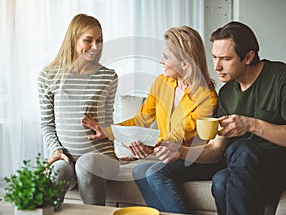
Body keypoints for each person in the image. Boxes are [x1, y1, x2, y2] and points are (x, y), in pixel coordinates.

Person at [150, 21, 286, 215]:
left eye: (225, 58)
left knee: (243, 147)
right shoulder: (227, 93)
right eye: (214, 57)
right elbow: (215, 150)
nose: (216, 66)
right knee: (221, 180)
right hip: (243, 173)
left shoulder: (280, 78)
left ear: (248, 57)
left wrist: (251, 125)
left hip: (276, 169)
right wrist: (181, 151)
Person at [83, 26, 220, 213]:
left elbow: (178, 136)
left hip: (194, 157)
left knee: (155, 174)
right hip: (170, 154)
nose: (160, 61)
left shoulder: (206, 97)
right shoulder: (162, 82)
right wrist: (107, 131)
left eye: (166, 57)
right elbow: (142, 120)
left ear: (186, 63)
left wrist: (150, 146)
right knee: (139, 171)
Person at [37, 13, 119, 206]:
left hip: (101, 158)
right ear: (73, 39)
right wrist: (56, 149)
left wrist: (107, 132)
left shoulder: (107, 76)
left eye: (99, 40)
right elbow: (47, 123)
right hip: (67, 156)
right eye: (88, 40)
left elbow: (108, 123)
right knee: (56, 174)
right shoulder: (48, 76)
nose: (95, 47)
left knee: (87, 165)